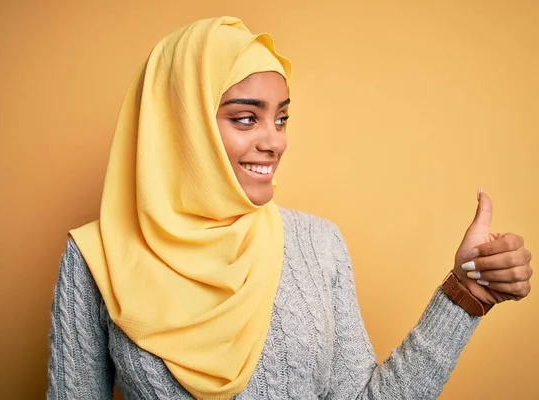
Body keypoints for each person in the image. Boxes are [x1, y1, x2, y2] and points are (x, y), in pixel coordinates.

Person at [47, 16, 533, 399]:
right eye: (245, 118)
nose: (273, 142)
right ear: (180, 124)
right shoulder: (96, 259)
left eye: (281, 118)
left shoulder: (317, 244)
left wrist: (464, 296)